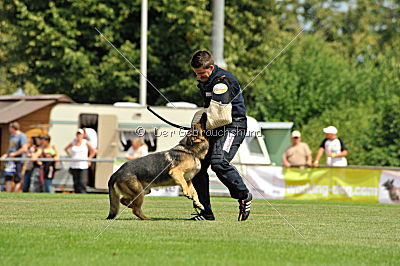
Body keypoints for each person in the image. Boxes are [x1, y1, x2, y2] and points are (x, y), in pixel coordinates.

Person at [189, 50, 252, 221]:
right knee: (197, 168)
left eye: (202, 73)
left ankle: (244, 195)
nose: (199, 77)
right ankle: (205, 212)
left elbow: (221, 116)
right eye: (196, 74)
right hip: (216, 126)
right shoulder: (206, 80)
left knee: (219, 162)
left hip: (233, 125)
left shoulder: (222, 82)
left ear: (211, 67)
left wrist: (202, 127)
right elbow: (209, 110)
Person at [64, 129, 96, 193]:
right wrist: (70, 156)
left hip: (83, 165)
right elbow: (66, 149)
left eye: (80, 134)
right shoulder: (73, 142)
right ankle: (76, 194)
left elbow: (93, 151)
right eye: (78, 134)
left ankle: (83, 194)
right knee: (76, 182)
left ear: (83, 135)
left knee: (82, 181)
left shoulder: (85, 142)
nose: (79, 135)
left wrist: (89, 158)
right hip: (74, 165)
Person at [1, 122, 28, 192]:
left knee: (17, 178)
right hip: (10, 161)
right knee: (8, 177)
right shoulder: (12, 136)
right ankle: (8, 194)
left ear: (13, 128)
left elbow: (24, 148)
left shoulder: (22, 136)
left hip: (18, 160)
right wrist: (6, 154)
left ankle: (16, 194)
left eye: (10, 128)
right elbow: (11, 148)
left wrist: (15, 154)